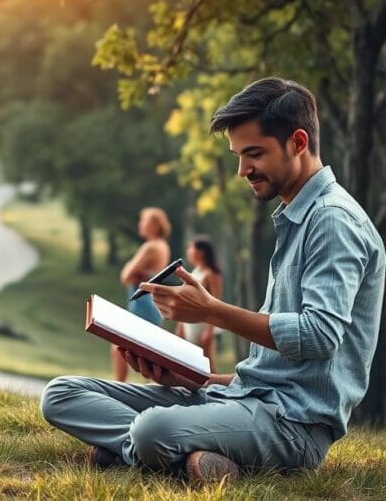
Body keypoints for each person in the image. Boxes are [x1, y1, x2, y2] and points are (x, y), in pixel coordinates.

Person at [41, 77, 385, 482]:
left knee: (153, 429)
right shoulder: (297, 217)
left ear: (298, 142)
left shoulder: (332, 221)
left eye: (254, 154)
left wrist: (212, 311)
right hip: (238, 398)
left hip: (294, 428)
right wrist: (192, 378)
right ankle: (183, 457)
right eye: (238, 155)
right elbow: (267, 377)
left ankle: (142, 449)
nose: (243, 170)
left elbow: (319, 336)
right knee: (62, 394)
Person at [111, 207, 171, 381]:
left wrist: (132, 269)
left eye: (144, 220)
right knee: (133, 349)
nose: (140, 224)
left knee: (118, 345)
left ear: (154, 225)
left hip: (142, 304)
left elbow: (126, 275)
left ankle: (118, 386)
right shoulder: (163, 246)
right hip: (149, 304)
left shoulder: (151, 247)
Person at [175, 236, 222, 374]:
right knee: (190, 361)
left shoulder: (211, 274)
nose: (188, 251)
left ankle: (217, 390)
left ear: (201, 252)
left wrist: (209, 331)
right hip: (189, 323)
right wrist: (181, 326)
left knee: (207, 362)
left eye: (191, 247)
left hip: (203, 323)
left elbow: (216, 302)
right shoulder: (195, 272)